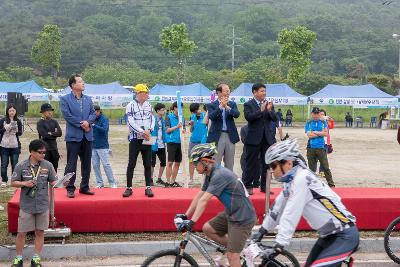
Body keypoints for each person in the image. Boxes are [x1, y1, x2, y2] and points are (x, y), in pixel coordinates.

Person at [251, 139, 359, 267]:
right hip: (328, 236)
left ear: (289, 164)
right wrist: (261, 231)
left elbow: (291, 213)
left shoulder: (301, 179)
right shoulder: (290, 181)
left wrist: (279, 245)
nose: (272, 170)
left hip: (344, 235)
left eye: (273, 166)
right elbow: (277, 209)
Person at [176, 143, 256, 267]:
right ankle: (239, 249)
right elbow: (199, 196)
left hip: (242, 217)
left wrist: (192, 222)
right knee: (208, 229)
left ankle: (235, 252)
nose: (194, 166)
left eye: (196, 163)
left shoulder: (219, 175)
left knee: (232, 255)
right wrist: (186, 215)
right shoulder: (210, 174)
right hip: (232, 212)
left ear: (205, 161)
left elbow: (204, 201)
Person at [10, 139, 59, 267]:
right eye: (40, 152)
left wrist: (62, 182)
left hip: (43, 205)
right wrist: (24, 183)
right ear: (31, 152)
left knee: (40, 232)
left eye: (44, 152)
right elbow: (13, 182)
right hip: (27, 206)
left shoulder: (47, 165)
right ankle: (18, 258)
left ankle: (36, 259)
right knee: (21, 233)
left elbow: (53, 182)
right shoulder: (21, 166)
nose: (43, 155)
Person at [60, 74, 96, 198]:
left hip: (87, 135)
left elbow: (93, 113)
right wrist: (81, 124)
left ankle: (84, 187)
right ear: (73, 85)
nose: (83, 83)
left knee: (86, 163)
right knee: (71, 163)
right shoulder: (65, 99)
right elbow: (67, 115)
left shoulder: (88, 99)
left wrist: (88, 122)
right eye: (80, 81)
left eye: (83, 81)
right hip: (73, 136)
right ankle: (70, 188)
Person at [242, 83, 277, 195]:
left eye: (265, 91)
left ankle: (264, 187)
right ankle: (248, 185)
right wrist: (260, 110)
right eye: (262, 91)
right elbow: (249, 117)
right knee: (251, 163)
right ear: (255, 92)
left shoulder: (268, 104)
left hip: (267, 138)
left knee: (266, 163)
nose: (264, 93)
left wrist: (270, 110)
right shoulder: (248, 104)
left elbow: (274, 119)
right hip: (253, 138)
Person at [124, 84, 155, 198]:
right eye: (145, 93)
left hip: (147, 138)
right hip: (135, 138)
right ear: (138, 93)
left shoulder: (149, 105)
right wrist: (142, 131)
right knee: (131, 163)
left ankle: (148, 187)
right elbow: (130, 122)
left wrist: (150, 130)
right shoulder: (130, 106)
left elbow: (152, 119)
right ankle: (129, 188)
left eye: (147, 93)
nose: (147, 95)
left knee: (148, 163)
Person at [206, 83, 240, 171]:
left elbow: (236, 114)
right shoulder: (211, 105)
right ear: (219, 92)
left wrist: (227, 107)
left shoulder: (232, 104)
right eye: (226, 91)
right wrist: (221, 106)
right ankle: (215, 183)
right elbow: (212, 117)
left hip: (230, 136)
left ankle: (228, 183)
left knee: (229, 163)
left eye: (229, 91)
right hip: (217, 136)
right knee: (215, 162)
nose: (228, 93)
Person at [305, 107, 335, 187]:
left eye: (317, 113)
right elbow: (309, 135)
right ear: (312, 114)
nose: (316, 115)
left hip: (321, 147)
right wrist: (320, 133)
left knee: (325, 166)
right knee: (312, 168)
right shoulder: (308, 123)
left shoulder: (323, 122)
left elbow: (325, 133)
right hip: (311, 147)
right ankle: (312, 185)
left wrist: (315, 132)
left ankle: (331, 184)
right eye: (314, 113)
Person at [92, 105, 117, 188]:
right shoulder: (91, 119)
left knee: (106, 164)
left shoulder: (104, 119)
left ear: (98, 111)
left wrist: (94, 126)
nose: (93, 113)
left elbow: (105, 130)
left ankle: (112, 182)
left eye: (94, 112)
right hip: (93, 145)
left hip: (102, 145)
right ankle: (99, 183)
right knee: (95, 165)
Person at [0, 104, 23, 187]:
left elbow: (20, 133)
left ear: (15, 111)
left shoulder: (18, 121)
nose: (12, 112)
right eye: (10, 110)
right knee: (4, 164)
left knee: (15, 164)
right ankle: (4, 180)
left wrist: (17, 130)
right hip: (4, 145)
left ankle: (14, 180)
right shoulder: (3, 120)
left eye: (13, 110)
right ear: (7, 111)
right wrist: (6, 128)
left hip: (15, 145)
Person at [165, 101, 185, 187]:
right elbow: (167, 130)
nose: (180, 110)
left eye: (181, 108)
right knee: (170, 163)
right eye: (178, 107)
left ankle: (173, 181)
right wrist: (177, 127)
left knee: (177, 163)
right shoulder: (168, 117)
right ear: (174, 108)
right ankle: (168, 182)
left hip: (180, 142)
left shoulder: (182, 118)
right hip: (171, 142)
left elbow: (183, 130)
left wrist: (183, 130)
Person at [37, 103, 62, 172]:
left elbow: (60, 133)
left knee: (54, 169)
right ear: (43, 112)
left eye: (51, 110)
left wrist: (50, 133)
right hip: (44, 149)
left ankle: (53, 182)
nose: (50, 112)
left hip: (54, 148)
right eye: (48, 111)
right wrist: (54, 134)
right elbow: (45, 135)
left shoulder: (54, 121)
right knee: (44, 169)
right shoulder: (40, 122)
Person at [188, 103, 208, 185]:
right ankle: (191, 178)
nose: (195, 113)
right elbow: (191, 130)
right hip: (193, 141)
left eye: (196, 110)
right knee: (191, 160)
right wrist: (191, 126)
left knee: (204, 160)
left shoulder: (205, 115)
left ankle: (204, 179)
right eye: (194, 112)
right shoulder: (192, 117)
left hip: (203, 141)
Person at [151, 103, 167, 186]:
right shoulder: (153, 119)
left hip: (162, 144)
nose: (164, 111)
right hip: (153, 143)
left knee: (163, 162)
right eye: (162, 110)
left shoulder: (162, 120)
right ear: (157, 111)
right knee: (152, 163)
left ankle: (159, 178)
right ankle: (150, 179)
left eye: (164, 109)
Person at [318, 109, 334, 176]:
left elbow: (331, 126)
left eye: (323, 114)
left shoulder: (326, 123)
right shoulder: (317, 123)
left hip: (326, 142)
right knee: (321, 158)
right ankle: (321, 171)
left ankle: (321, 171)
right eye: (320, 114)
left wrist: (331, 120)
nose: (322, 116)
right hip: (319, 142)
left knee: (324, 158)